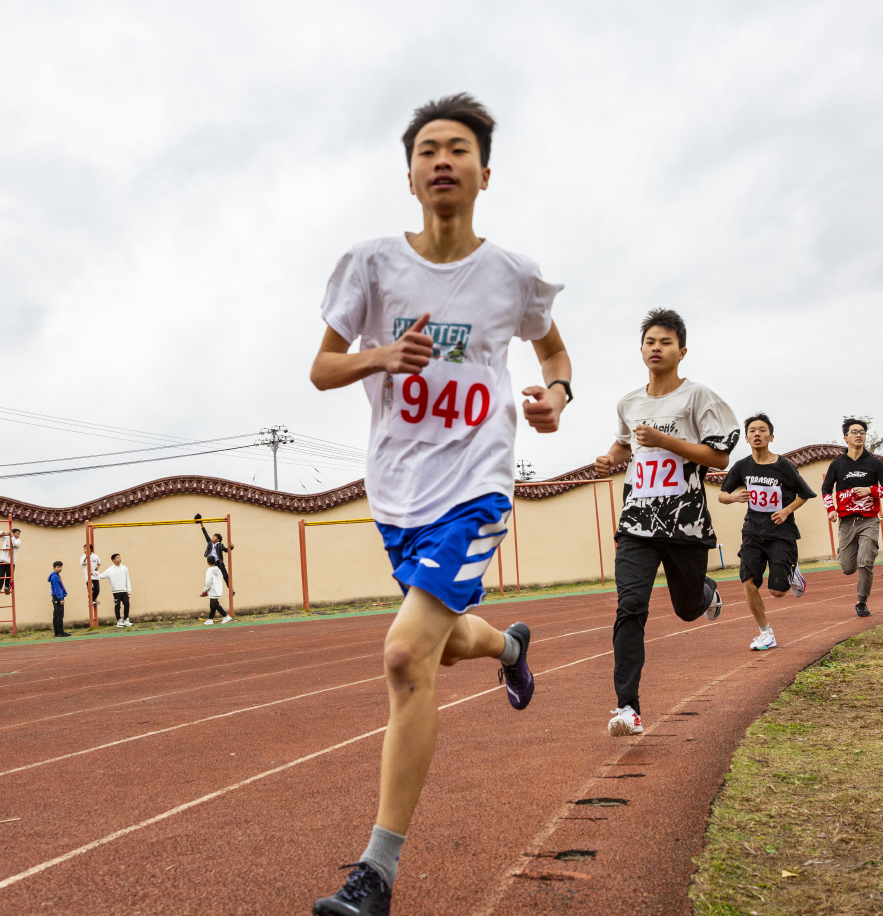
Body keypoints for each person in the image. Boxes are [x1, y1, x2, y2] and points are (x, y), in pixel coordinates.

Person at [308, 93, 571, 916]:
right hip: (397, 492)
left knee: (403, 655)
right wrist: (382, 356)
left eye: (458, 149)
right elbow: (322, 368)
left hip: (476, 486)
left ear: (485, 174)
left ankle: (376, 874)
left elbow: (554, 351)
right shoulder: (371, 266)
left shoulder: (512, 275)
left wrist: (557, 396)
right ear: (411, 175)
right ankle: (508, 646)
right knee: (446, 641)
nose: (443, 160)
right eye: (428, 150)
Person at [596, 308, 738, 734]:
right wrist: (610, 459)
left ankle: (706, 592)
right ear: (641, 350)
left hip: (684, 524)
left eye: (665, 342)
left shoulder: (698, 398)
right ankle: (627, 708)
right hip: (637, 522)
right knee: (630, 607)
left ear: (682, 351)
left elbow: (719, 457)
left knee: (687, 609)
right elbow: (626, 446)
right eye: (650, 342)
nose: (656, 348)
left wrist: (665, 440)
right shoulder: (628, 403)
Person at [718, 413, 811, 651]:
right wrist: (734, 497)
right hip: (753, 532)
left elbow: (805, 494)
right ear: (747, 438)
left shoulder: (783, 465)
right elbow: (722, 495)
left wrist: (787, 510)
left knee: (777, 592)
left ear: (771, 436)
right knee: (748, 582)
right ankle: (765, 633)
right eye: (752, 431)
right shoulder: (742, 466)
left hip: (781, 533)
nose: (757, 434)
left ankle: (792, 572)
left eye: (762, 430)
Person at [822, 418, 883, 617]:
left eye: (862, 432)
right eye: (854, 432)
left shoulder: (875, 463)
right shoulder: (837, 464)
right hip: (846, 521)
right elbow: (826, 489)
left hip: (869, 519)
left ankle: (861, 601)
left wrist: (870, 490)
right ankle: (845, 551)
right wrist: (831, 509)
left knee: (865, 562)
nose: (859, 435)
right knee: (847, 568)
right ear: (845, 437)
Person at [196, 516, 234, 594]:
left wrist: (232, 546)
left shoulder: (220, 545)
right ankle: (205, 591)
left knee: (225, 576)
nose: (213, 537)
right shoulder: (210, 542)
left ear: (218, 539)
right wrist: (201, 525)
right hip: (212, 563)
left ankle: (231, 590)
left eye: (215, 537)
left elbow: (227, 550)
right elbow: (205, 534)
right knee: (210, 577)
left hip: (219, 563)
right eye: (213, 536)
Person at [95, 554, 133, 627]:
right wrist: (94, 574)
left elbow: (127, 579)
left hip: (124, 590)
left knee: (127, 604)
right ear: (113, 560)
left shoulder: (124, 568)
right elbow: (100, 576)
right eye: (117, 558)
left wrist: (129, 590)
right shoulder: (110, 570)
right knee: (117, 606)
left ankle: (126, 620)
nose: (119, 559)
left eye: (120, 557)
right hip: (116, 591)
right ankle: (119, 621)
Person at [201, 556, 232, 624]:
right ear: (215, 561)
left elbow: (208, 582)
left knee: (215, 604)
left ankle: (226, 616)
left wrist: (205, 590)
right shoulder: (219, 569)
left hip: (212, 589)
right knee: (212, 604)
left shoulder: (209, 570)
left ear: (207, 563)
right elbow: (221, 578)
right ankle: (210, 619)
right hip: (218, 589)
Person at [0, 527, 21, 594]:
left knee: (9, 575)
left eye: (19, 534)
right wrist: (4, 532)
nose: (18, 535)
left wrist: (12, 537)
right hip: (3, 559)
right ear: (13, 533)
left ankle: (7, 588)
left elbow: (15, 544)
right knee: (0, 574)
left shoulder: (18, 541)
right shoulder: (6, 538)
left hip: (11, 561)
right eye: (17, 533)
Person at [48, 561, 71, 638]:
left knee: (56, 614)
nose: (60, 568)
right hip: (57, 597)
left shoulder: (56, 576)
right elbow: (57, 589)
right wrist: (61, 598)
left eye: (60, 567)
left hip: (56, 597)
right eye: (58, 567)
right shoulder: (54, 577)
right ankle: (60, 633)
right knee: (59, 615)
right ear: (54, 568)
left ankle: (58, 632)